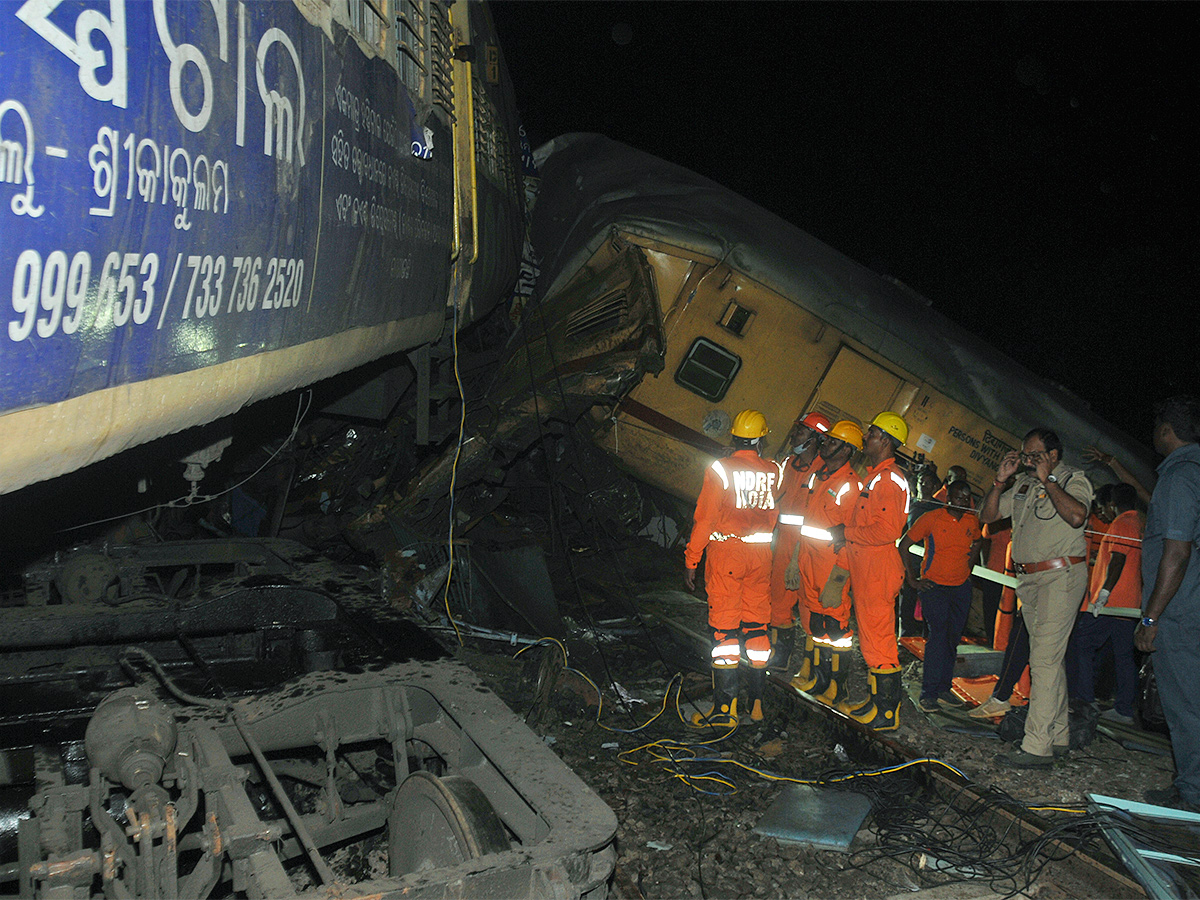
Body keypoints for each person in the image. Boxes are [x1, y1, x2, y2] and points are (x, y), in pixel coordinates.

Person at [980, 428, 1093, 767]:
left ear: (1053, 456)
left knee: (1042, 660)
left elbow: (1077, 516)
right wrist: (1000, 482)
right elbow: (987, 517)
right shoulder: (1024, 486)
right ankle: (1058, 735)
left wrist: (1051, 481)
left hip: (1061, 577)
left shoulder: (1074, 480)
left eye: (1034, 455)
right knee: (1050, 659)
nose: (1028, 461)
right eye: (1025, 455)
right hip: (1029, 581)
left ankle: (1036, 747)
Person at [685, 409, 782, 727]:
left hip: (728, 555)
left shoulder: (721, 470)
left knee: (725, 631)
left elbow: (705, 519)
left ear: (735, 436)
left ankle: (725, 712)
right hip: (760, 556)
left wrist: (691, 559)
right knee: (757, 627)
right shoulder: (773, 471)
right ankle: (757, 705)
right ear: (760, 440)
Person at [1136, 396, 1200, 811]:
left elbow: (1176, 553)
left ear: (1166, 430)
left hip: (1177, 615)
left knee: (1185, 709)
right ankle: (1186, 784)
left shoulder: (1180, 477)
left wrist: (1150, 617)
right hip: (1191, 608)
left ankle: (1192, 798)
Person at [831, 411, 911, 730]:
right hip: (867, 566)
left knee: (880, 642)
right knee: (871, 640)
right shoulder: (876, 475)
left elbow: (887, 530)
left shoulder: (890, 479)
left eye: (873, 433)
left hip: (878, 567)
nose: (867, 438)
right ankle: (876, 702)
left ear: (887, 440)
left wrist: (845, 533)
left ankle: (888, 712)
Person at [789, 420, 863, 705]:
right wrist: (795, 557)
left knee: (837, 630)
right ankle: (820, 680)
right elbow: (808, 521)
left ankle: (838, 687)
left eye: (833, 442)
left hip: (831, 566)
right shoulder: (820, 476)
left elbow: (849, 535)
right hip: (809, 560)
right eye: (828, 440)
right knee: (818, 626)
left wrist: (839, 578)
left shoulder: (850, 485)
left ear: (847, 450)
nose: (826, 444)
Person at [900, 481, 984, 712]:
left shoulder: (971, 520)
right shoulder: (932, 518)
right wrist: (912, 579)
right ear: (948, 498)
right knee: (938, 637)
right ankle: (929, 694)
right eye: (959, 497)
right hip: (934, 587)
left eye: (967, 498)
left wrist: (969, 568)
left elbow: (978, 540)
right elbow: (904, 544)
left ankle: (944, 689)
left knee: (952, 639)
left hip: (960, 588)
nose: (963, 501)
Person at [1067, 483, 1143, 723]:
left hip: (1112, 603)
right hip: (1127, 603)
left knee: (1082, 643)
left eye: (1103, 507)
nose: (1103, 513)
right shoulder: (1137, 522)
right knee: (1123, 657)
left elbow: (1118, 560)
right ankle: (1123, 709)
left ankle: (1086, 699)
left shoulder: (1122, 523)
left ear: (1112, 504)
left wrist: (1104, 593)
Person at [769, 413, 831, 678]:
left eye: (803, 432)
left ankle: (810, 668)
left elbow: (814, 518)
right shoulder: (787, 463)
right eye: (798, 430)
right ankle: (779, 658)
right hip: (782, 543)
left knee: (809, 606)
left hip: (806, 548)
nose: (795, 435)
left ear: (816, 439)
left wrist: (796, 557)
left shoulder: (823, 472)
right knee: (778, 602)